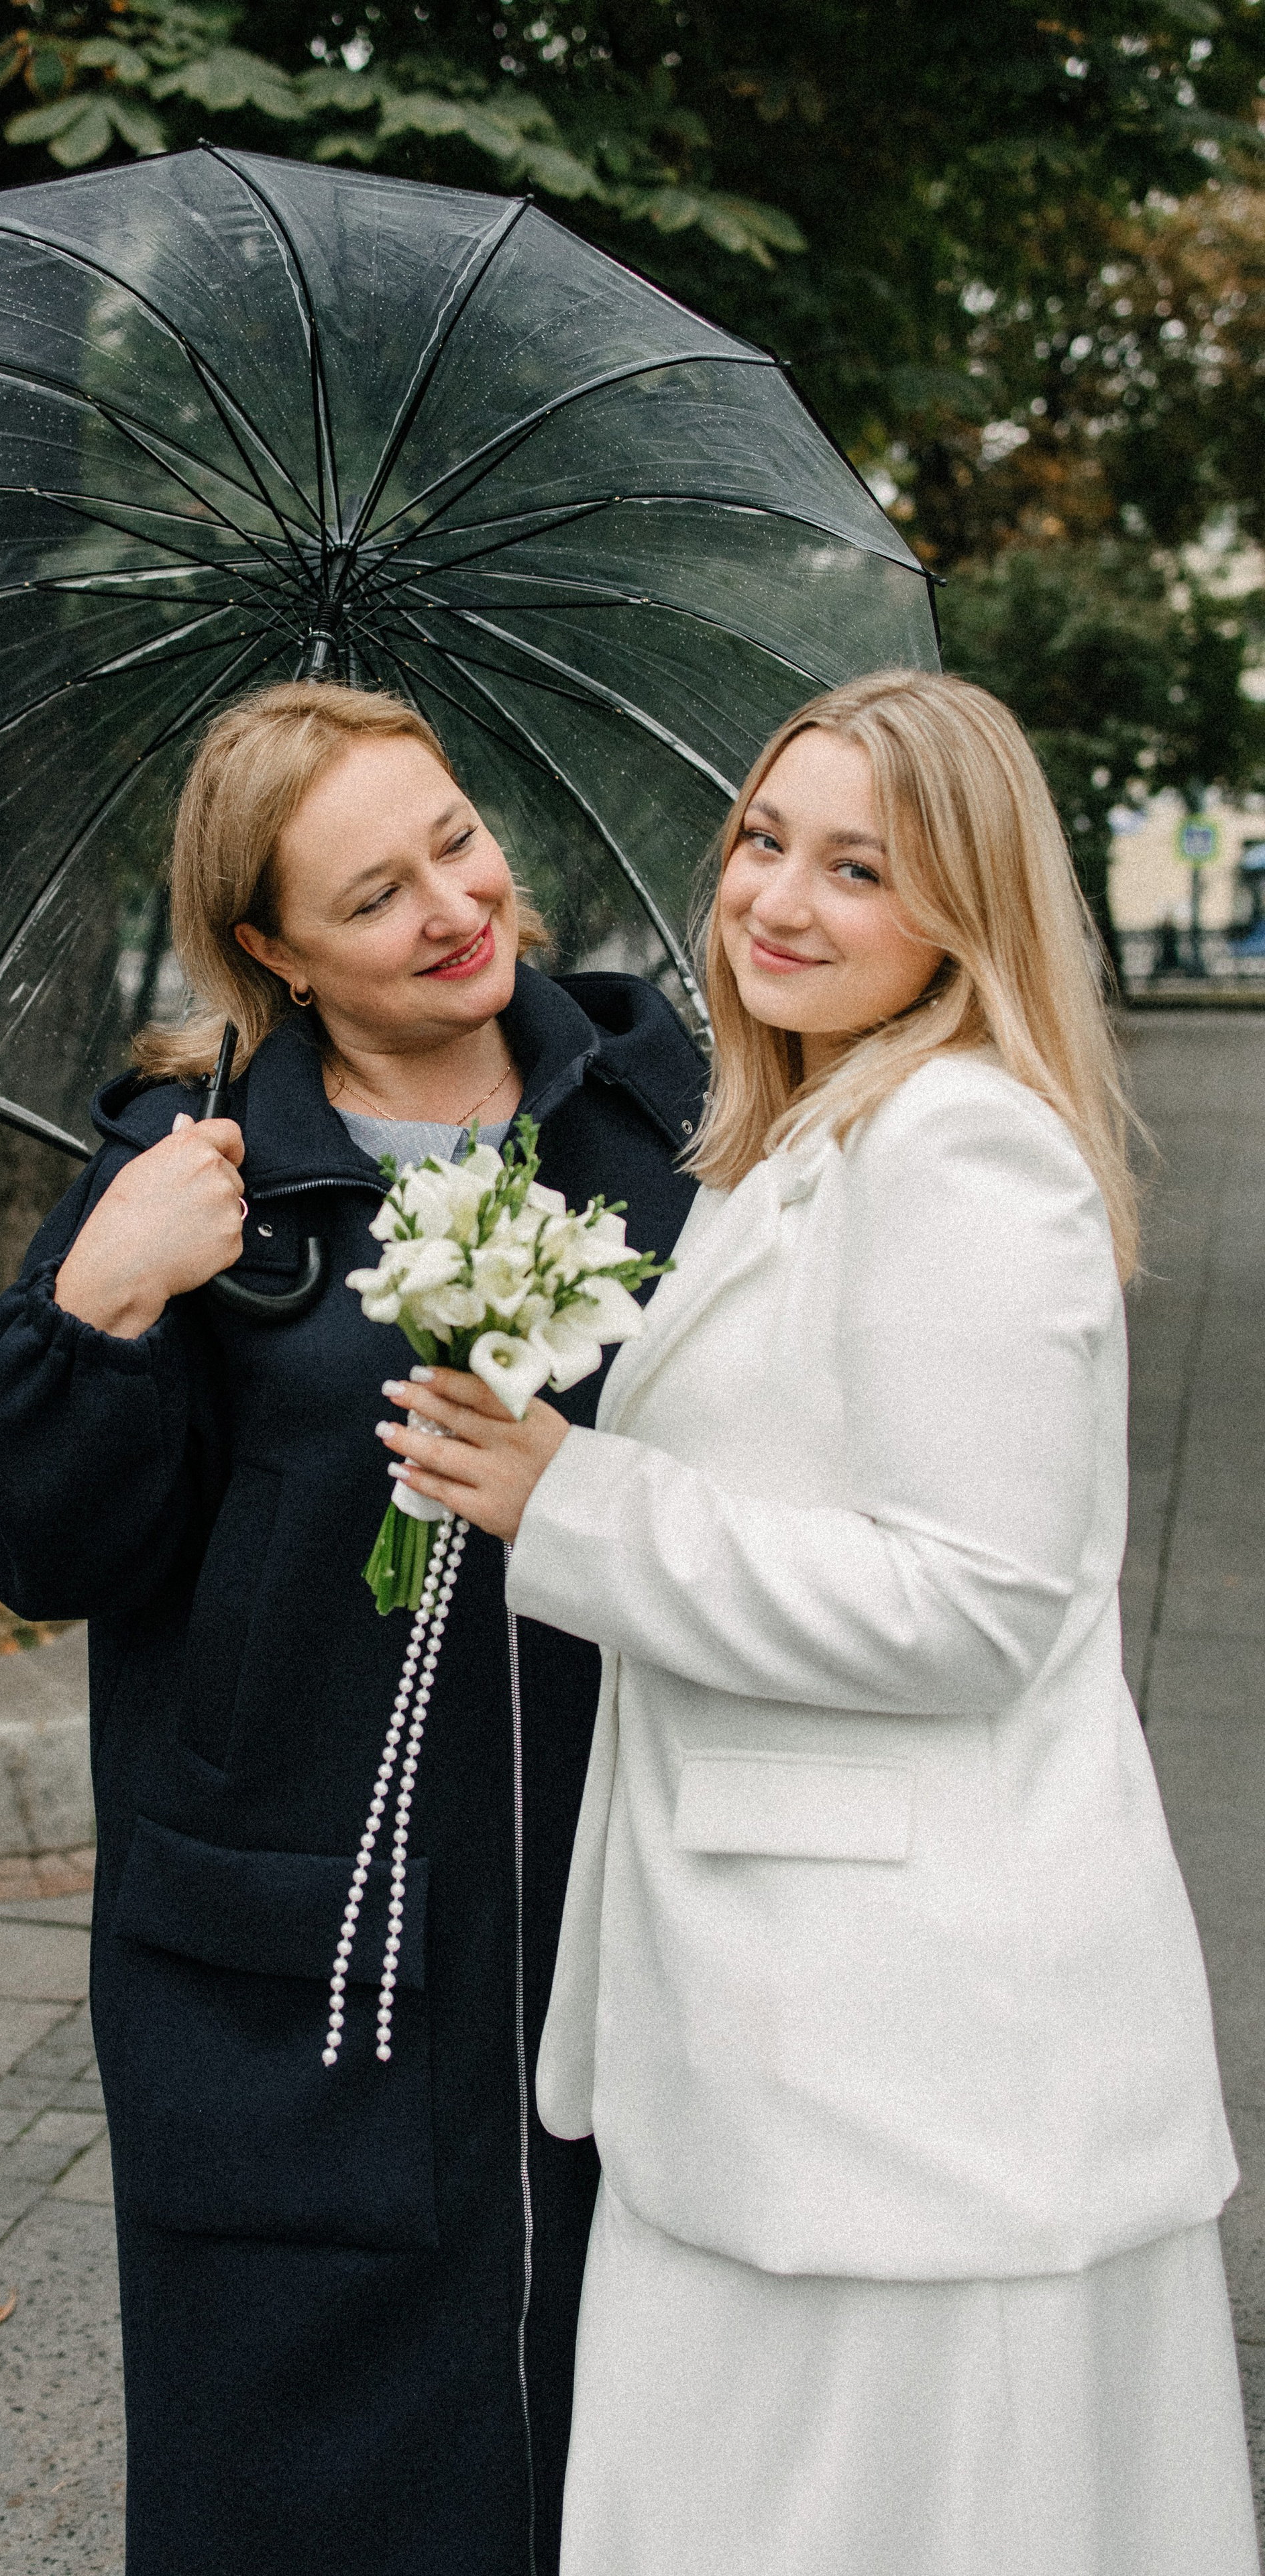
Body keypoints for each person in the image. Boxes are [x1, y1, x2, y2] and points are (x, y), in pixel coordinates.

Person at [378, 668, 1258, 2576]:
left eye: (858, 868)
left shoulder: (961, 1152)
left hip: (908, 2065)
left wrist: (572, 1498)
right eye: (764, 841)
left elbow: (977, 1603)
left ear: (964, 910)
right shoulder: (802, 1134)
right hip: (782, 2034)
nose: (776, 899)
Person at [0, 680, 705, 2576]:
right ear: (273, 952)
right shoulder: (194, 1170)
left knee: (630, 2468)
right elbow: (39, 1546)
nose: (455, 908)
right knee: (300, 2491)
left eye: (457, 841)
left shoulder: (672, 1122)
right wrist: (101, 1307)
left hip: (630, 1933)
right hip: (296, 1973)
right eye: (375, 896)